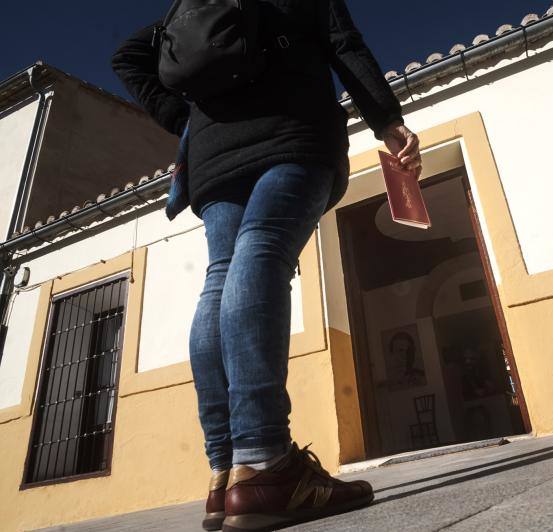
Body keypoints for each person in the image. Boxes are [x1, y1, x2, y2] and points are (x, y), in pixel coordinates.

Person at [111, 1, 422, 530]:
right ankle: (265, 461)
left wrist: (186, 118)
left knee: (220, 277)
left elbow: (129, 56)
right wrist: (387, 121)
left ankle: (226, 471)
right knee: (263, 250)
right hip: (291, 130)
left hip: (213, 151)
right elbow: (343, 43)